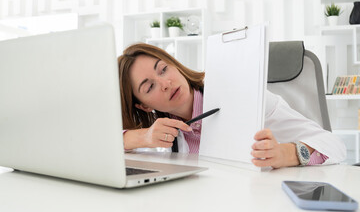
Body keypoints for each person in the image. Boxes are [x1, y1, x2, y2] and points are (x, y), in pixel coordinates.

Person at [117, 43, 346, 169]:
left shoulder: (247, 96)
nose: (166, 84)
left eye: (164, 69)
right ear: (144, 106)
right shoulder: (160, 133)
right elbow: (95, 149)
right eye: (149, 87)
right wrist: (140, 137)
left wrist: (287, 154)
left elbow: (334, 144)